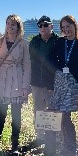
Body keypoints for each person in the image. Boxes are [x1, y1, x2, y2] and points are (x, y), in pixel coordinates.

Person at [49, 15, 78, 156]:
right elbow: (50, 59)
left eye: (69, 26)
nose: (66, 30)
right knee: (58, 114)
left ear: (75, 26)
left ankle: (71, 148)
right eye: (64, 27)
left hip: (72, 82)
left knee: (66, 115)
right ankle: (60, 145)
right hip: (60, 80)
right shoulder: (60, 42)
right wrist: (59, 68)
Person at [0, 14, 31, 155]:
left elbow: (27, 66)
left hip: (17, 81)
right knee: (0, 114)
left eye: (13, 24)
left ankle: (15, 145)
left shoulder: (24, 44)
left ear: (18, 27)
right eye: (8, 24)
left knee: (16, 116)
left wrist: (25, 87)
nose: (10, 27)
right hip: (1, 81)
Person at [29, 15, 58, 145]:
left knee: (53, 109)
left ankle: (53, 138)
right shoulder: (34, 41)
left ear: (51, 26)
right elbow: (30, 61)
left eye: (45, 25)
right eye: (40, 26)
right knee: (38, 109)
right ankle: (40, 136)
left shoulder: (58, 41)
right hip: (37, 82)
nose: (42, 28)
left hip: (53, 82)